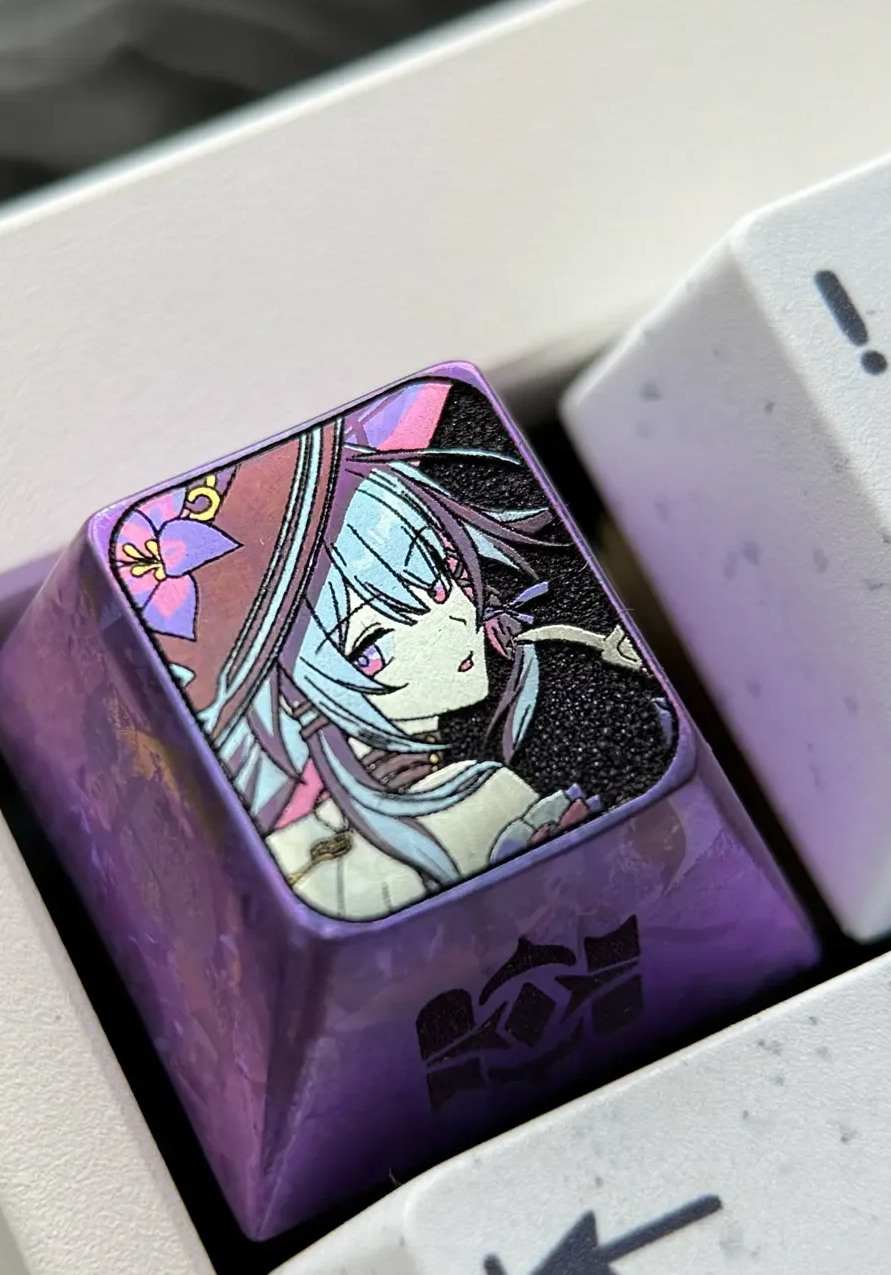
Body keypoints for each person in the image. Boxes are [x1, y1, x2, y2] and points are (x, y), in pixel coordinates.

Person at [108, 376, 651, 920]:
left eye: (443, 578)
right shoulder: (483, 796)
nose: (449, 622)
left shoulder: (301, 839)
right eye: (370, 646)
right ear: (294, 690)